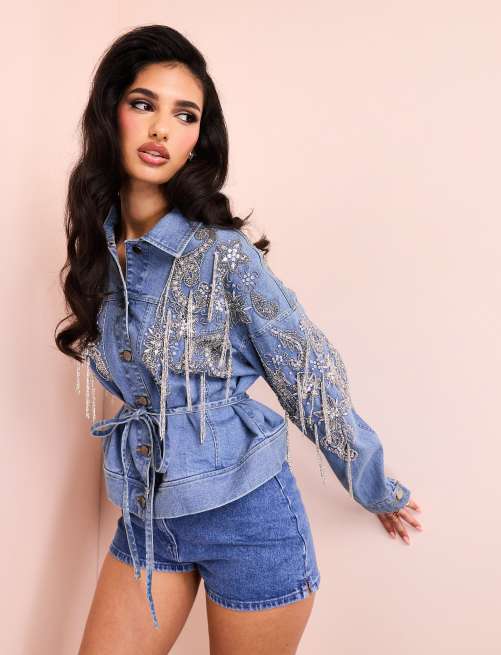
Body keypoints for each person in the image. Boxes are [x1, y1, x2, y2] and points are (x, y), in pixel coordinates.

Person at [55, 24, 423, 655]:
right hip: (148, 520)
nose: (161, 129)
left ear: (198, 140)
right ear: (110, 113)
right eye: (143, 104)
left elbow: (307, 371)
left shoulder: (222, 257)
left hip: (250, 522)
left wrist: (373, 484)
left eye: (185, 115)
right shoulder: (100, 251)